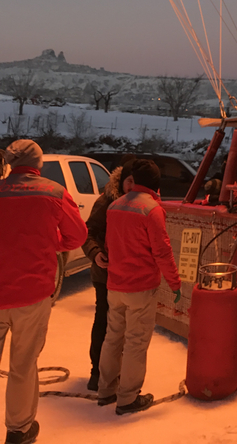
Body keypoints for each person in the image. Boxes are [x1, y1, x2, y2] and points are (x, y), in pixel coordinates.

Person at [0, 139, 87, 444]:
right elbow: (77, 235)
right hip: (32, 294)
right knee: (22, 365)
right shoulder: (53, 192)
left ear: (10, 163)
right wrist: (52, 244)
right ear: (38, 164)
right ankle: (19, 430)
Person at [97, 159, 181, 416]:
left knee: (113, 337)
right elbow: (162, 252)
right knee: (135, 342)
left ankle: (106, 390)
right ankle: (128, 398)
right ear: (156, 183)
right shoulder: (152, 209)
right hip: (141, 288)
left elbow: (110, 245)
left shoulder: (114, 206)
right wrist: (175, 283)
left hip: (115, 285)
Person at [81, 158, 136, 391]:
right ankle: (97, 371)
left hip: (129, 277)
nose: (132, 187)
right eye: (129, 182)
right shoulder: (106, 201)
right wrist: (96, 254)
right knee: (104, 321)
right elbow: (87, 233)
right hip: (105, 275)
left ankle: (117, 370)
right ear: (121, 181)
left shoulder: (142, 204)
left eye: (137, 182)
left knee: (123, 326)